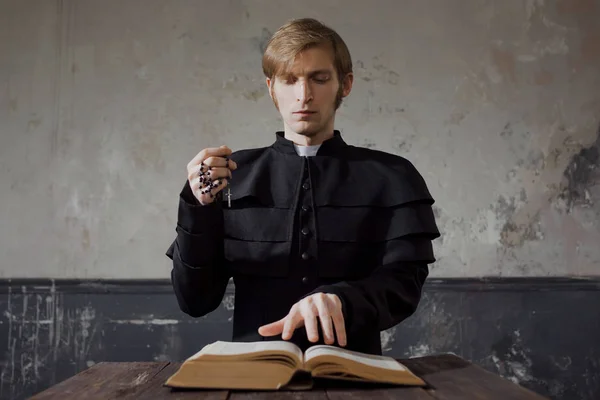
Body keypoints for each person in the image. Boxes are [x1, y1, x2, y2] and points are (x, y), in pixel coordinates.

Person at [166, 18, 440, 355]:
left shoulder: (393, 177)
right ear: (271, 88)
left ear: (346, 84)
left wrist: (342, 300)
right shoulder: (230, 177)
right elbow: (194, 300)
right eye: (289, 80)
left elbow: (403, 286)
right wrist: (199, 206)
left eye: (319, 78)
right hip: (253, 374)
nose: (304, 95)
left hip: (355, 375)